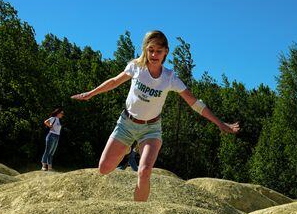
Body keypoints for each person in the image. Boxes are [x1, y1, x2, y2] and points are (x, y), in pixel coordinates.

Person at [71, 30, 239, 201]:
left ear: (166, 51)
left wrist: (219, 123)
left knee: (144, 172)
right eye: (150, 50)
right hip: (126, 124)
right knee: (104, 169)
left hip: (150, 130)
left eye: (158, 51)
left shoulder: (169, 78)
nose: (154, 55)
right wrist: (91, 93)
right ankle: (127, 147)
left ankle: (139, 212)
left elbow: (194, 103)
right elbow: (114, 81)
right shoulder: (136, 66)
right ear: (145, 49)